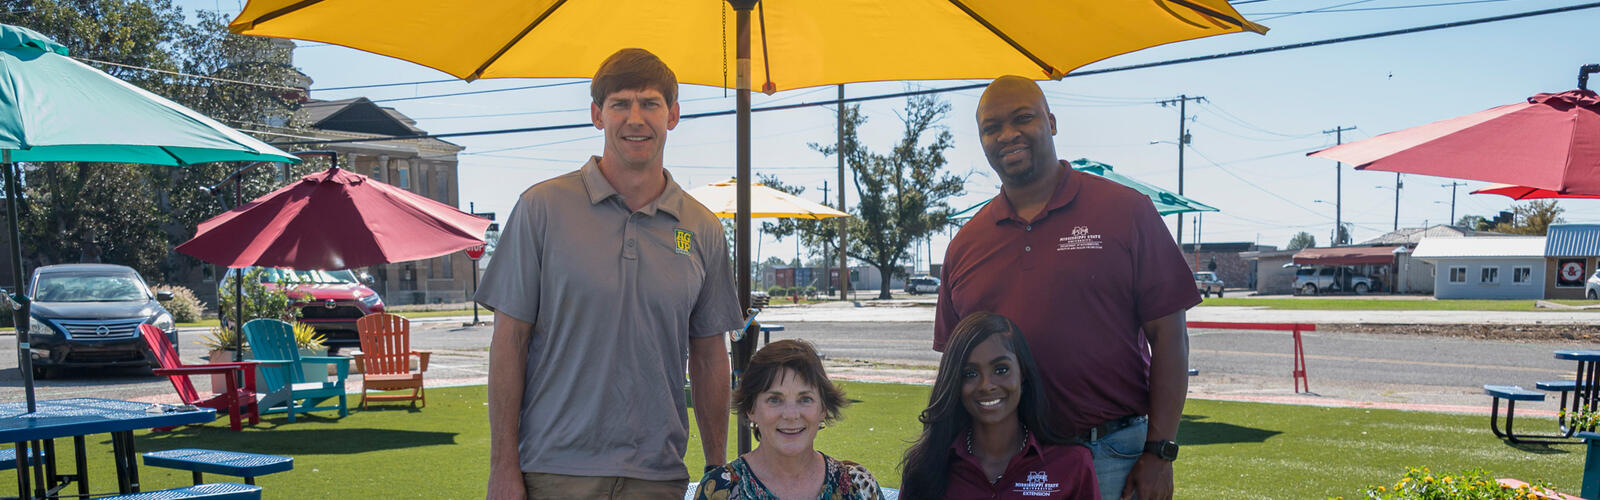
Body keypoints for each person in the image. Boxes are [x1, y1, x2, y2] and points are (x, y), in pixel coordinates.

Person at [477, 48, 745, 500]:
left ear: (673, 115)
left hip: (658, 476)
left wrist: (716, 466)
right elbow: (509, 342)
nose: (635, 118)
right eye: (620, 103)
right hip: (553, 471)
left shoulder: (702, 228)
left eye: (650, 103)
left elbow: (709, 355)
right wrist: (503, 467)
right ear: (597, 115)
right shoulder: (541, 208)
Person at [935, 76, 1201, 500]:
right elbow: (954, 370)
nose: (1008, 135)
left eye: (1023, 118)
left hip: (1116, 455)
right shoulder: (965, 244)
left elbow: (1170, 338)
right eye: (991, 127)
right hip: (1012, 465)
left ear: (1052, 122)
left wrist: (1160, 452)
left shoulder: (1126, 211)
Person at [902, 312, 1099, 500]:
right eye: (970, 373)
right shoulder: (925, 466)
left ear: (1023, 374)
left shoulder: (1072, 464)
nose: (986, 385)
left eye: (1001, 369)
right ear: (955, 382)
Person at [693, 339, 884, 500]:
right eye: (775, 399)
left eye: (805, 399)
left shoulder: (857, 486)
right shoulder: (720, 489)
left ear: (823, 408)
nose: (791, 415)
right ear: (751, 409)